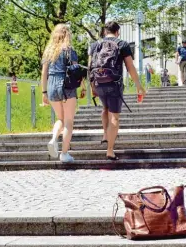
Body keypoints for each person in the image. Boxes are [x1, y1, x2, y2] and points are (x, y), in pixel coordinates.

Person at [89, 21, 145, 161]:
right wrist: (138, 85)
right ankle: (110, 150)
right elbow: (130, 66)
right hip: (114, 83)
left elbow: (90, 67)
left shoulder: (95, 45)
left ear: (104, 31)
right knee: (115, 116)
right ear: (117, 31)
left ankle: (105, 135)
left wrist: (92, 87)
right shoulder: (122, 44)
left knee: (105, 108)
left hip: (98, 83)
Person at [41, 23, 86, 163]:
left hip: (52, 84)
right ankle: (64, 154)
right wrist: (83, 86)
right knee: (68, 122)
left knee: (60, 118)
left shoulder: (49, 51)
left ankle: (54, 139)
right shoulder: (69, 50)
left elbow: (44, 73)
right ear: (67, 35)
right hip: (67, 85)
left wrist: (44, 92)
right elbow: (76, 70)